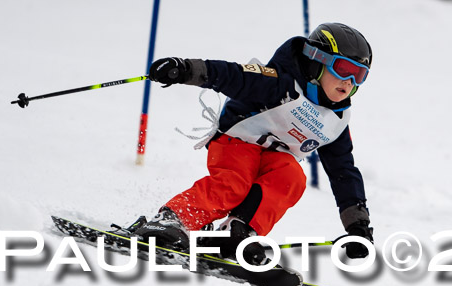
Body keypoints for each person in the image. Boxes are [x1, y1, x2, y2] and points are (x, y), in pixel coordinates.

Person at [134, 23, 374, 265]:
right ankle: (173, 219)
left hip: (275, 158)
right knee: (235, 183)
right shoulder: (279, 82)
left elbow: (343, 171)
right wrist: (185, 69)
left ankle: (237, 234)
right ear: (316, 60)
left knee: (293, 178)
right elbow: (235, 75)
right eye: (344, 69)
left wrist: (357, 225)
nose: (350, 81)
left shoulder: (336, 120)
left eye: (360, 75)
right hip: (237, 142)